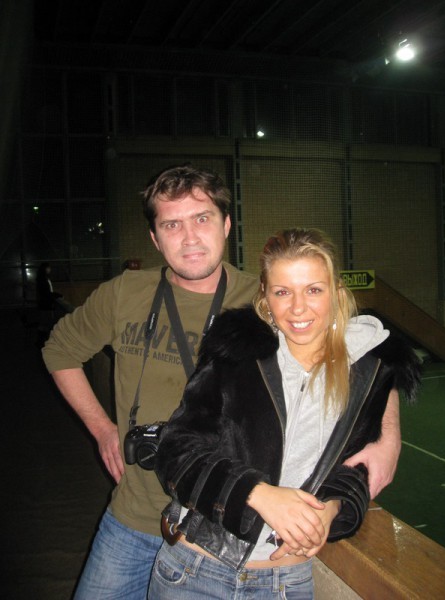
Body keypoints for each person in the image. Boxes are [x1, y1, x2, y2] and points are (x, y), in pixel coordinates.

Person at [42, 165, 403, 600]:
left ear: (226, 225)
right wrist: (103, 430)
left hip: (221, 521)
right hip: (134, 516)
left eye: (202, 218)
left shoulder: (268, 300)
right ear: (154, 238)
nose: (189, 237)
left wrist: (388, 437)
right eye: (171, 224)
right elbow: (59, 351)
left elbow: (357, 353)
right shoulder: (125, 293)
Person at [148, 228, 420, 599]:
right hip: (196, 571)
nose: (298, 308)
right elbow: (175, 450)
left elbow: (355, 467)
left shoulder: (369, 373)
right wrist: (257, 493)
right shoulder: (236, 357)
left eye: (314, 290)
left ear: (337, 293)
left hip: (287, 582)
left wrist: (332, 508)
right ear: (265, 299)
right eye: (282, 292)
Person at [36, 261, 62, 347]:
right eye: (48, 268)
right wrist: (57, 295)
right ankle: (43, 341)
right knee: (46, 322)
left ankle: (42, 341)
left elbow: (47, 292)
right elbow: (47, 293)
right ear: (45, 269)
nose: (50, 269)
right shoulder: (43, 280)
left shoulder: (42, 279)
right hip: (46, 304)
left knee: (45, 322)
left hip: (45, 303)